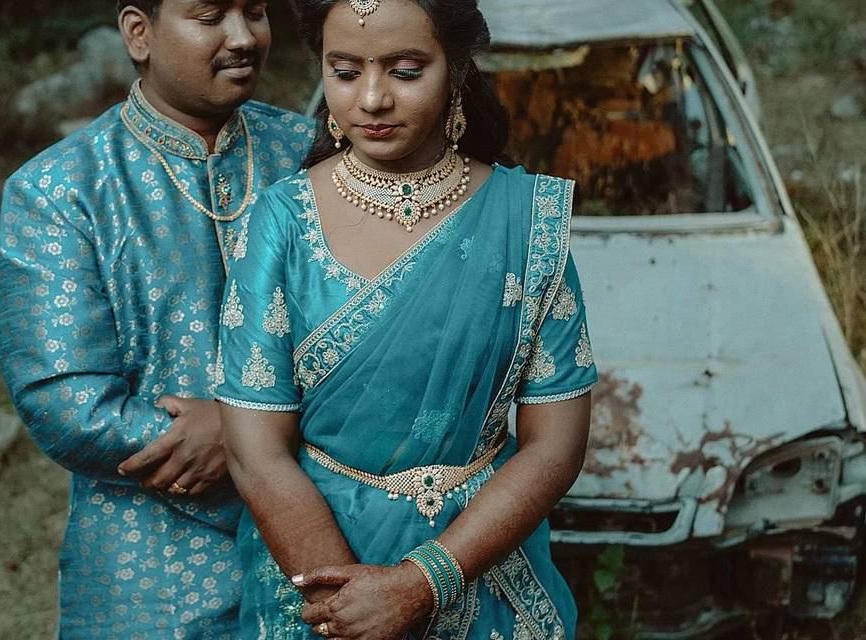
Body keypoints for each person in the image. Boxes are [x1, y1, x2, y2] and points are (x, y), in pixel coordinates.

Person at [213, 0, 598, 638]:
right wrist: (346, 610)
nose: (371, 98)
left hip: (481, 566)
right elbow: (256, 452)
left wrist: (424, 583)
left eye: (406, 71)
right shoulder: (280, 220)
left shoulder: (528, 220)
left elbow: (555, 442)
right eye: (343, 71)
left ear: (455, 70)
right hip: (312, 568)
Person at [0, 0, 313, 637]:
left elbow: (387, 330)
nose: (244, 37)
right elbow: (64, 398)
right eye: (211, 15)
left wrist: (244, 431)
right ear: (139, 33)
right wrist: (232, 439)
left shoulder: (313, 156)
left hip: (324, 535)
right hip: (149, 563)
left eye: (255, 11)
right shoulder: (62, 188)